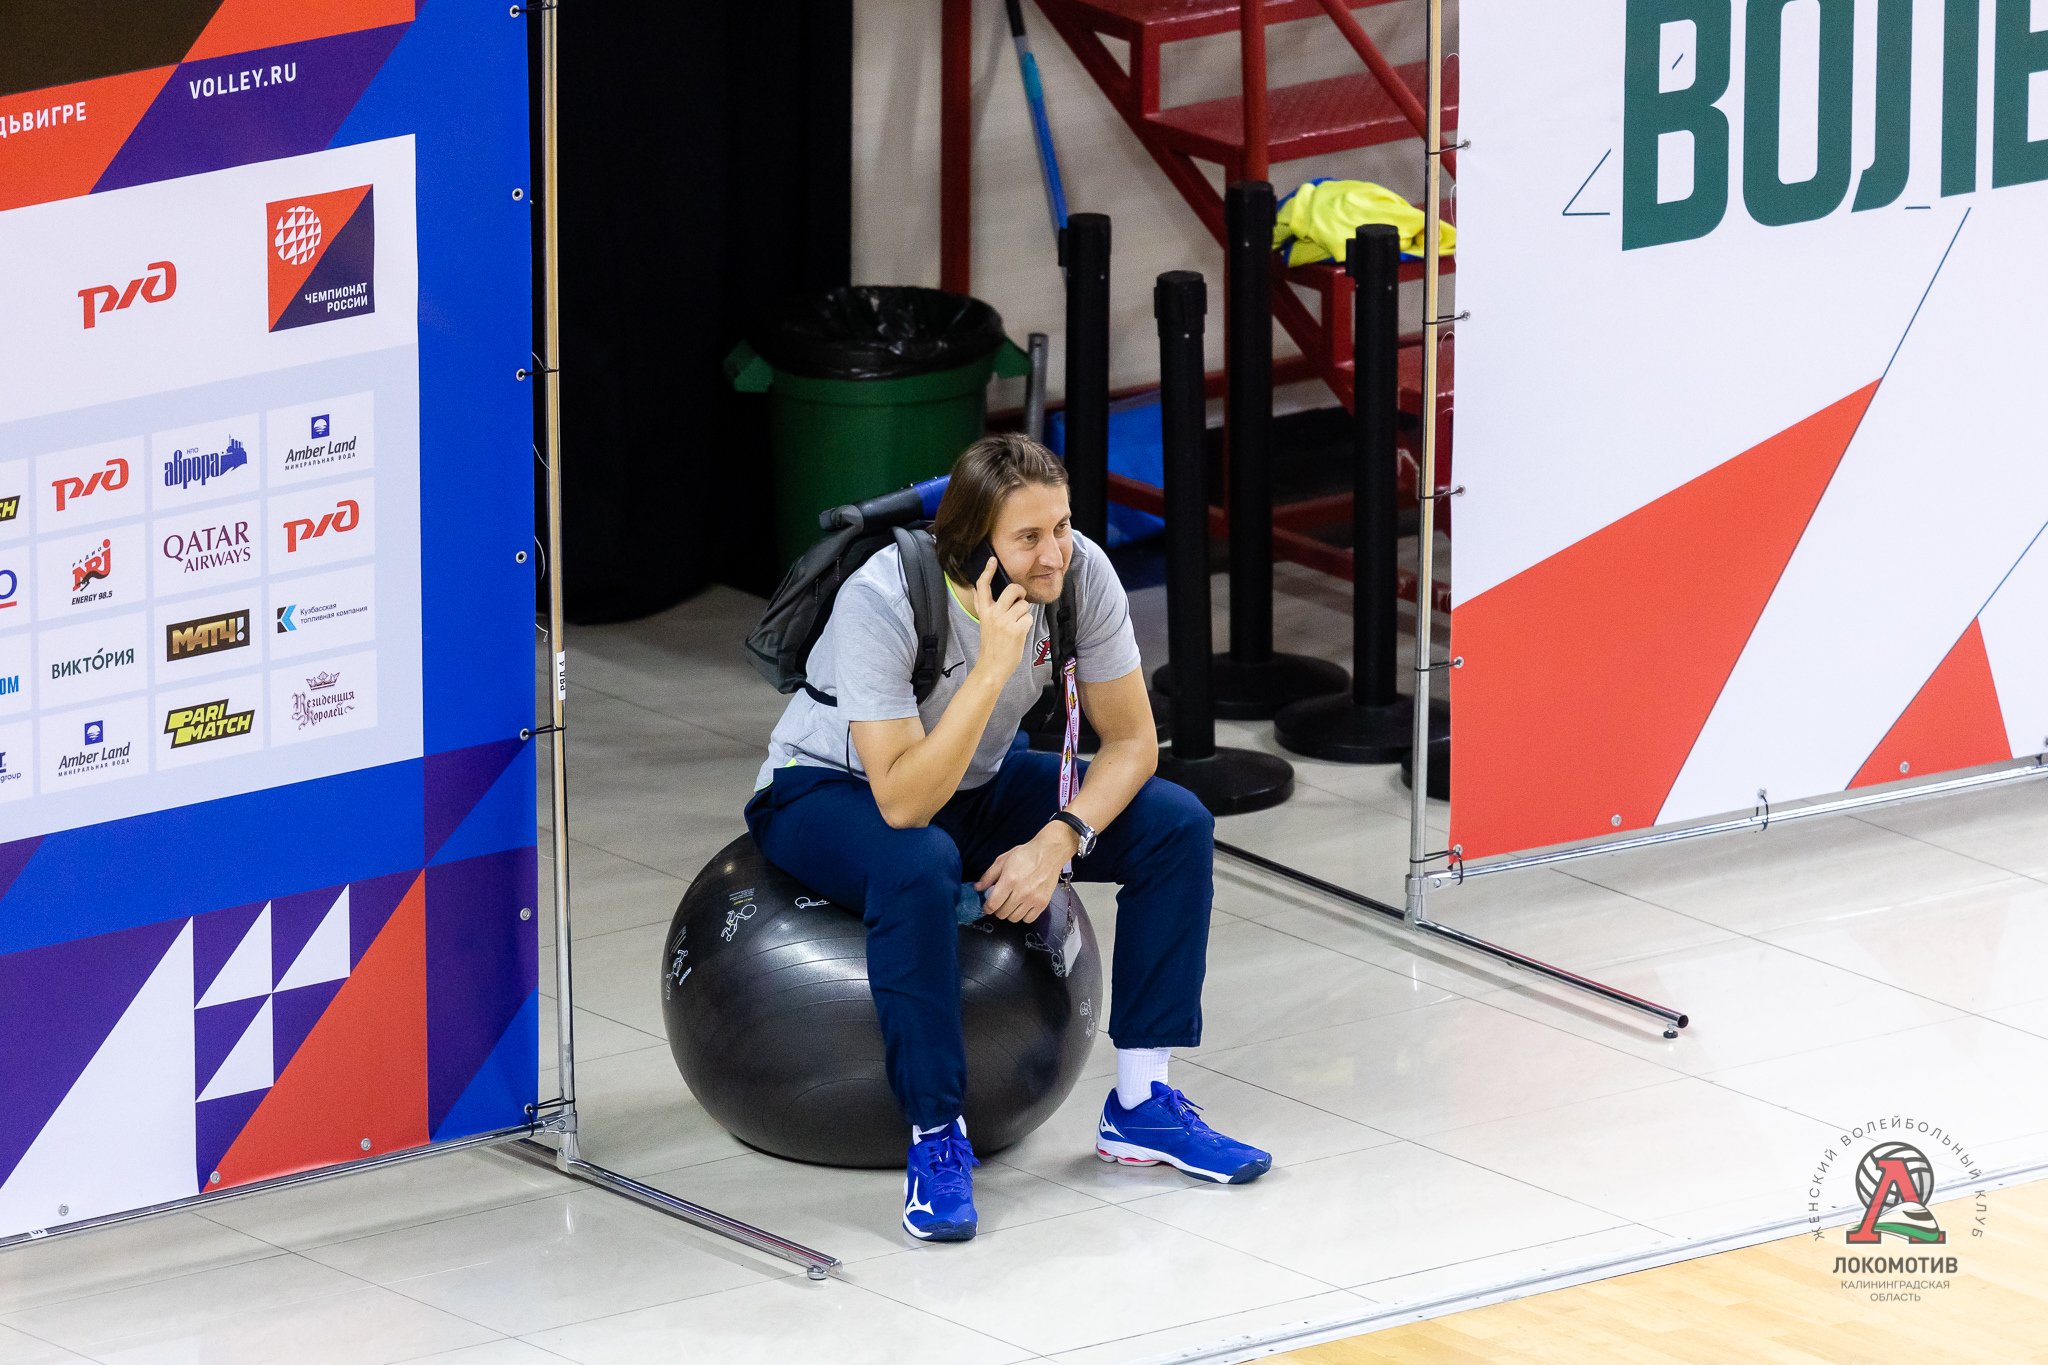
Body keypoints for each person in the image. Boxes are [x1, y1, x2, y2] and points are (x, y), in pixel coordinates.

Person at [745, 433, 1270, 1242]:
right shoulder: (881, 598)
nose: (1055, 552)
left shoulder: (1080, 572)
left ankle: (1140, 1103)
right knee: (921, 861)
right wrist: (992, 664)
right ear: (973, 545)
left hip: (973, 781)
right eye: (1029, 537)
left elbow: (1134, 742)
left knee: (1175, 823)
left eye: (1060, 525)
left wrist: (1059, 839)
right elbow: (903, 801)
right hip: (827, 789)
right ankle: (936, 1135)